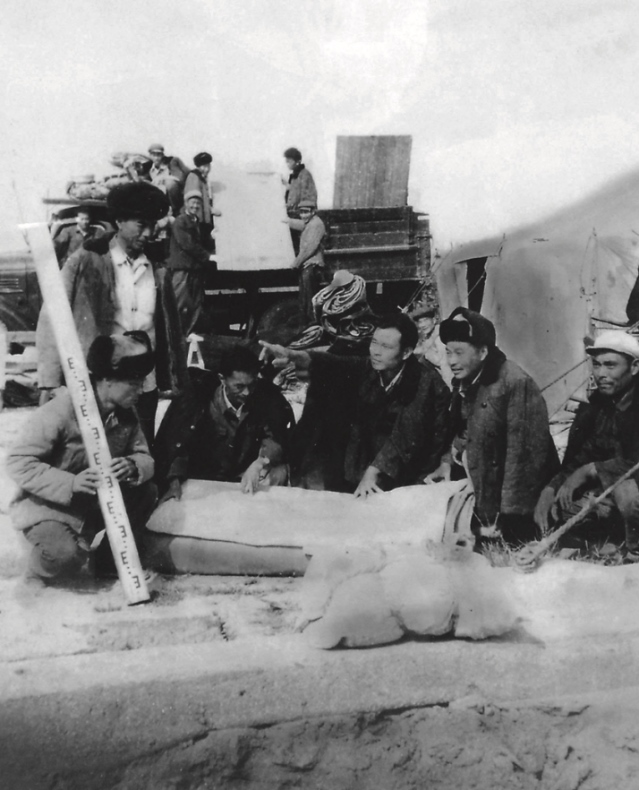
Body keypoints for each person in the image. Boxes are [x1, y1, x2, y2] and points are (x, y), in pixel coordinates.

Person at [36, 181, 187, 446]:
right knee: (93, 454)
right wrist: (50, 378)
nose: (149, 233)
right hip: (99, 384)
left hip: (143, 385)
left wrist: (178, 378)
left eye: (153, 225)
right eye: (141, 224)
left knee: (139, 453)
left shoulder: (158, 268)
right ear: (119, 221)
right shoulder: (87, 260)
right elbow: (53, 315)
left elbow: (172, 329)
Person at [7, 332, 157, 587]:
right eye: (133, 383)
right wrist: (71, 483)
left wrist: (133, 466)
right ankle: (37, 570)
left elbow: (145, 456)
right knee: (63, 557)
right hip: (49, 509)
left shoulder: (126, 413)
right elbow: (18, 462)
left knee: (147, 491)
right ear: (107, 379)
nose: (141, 390)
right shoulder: (61, 410)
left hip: (92, 507)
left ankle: (108, 562)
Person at [260, 313, 450, 495]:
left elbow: (406, 433)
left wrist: (374, 471)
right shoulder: (373, 368)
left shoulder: (426, 382)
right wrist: (293, 355)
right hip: (373, 465)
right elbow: (335, 363)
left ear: (406, 352)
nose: (376, 352)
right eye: (374, 342)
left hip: (412, 469)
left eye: (386, 346)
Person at [427, 307, 558, 545]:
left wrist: (509, 518)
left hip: (516, 504)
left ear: (483, 352)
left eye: (459, 352)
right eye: (448, 352)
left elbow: (524, 457)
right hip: (483, 485)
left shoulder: (515, 383)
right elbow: (467, 428)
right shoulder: (466, 381)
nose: (452, 361)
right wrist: (448, 461)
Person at [534, 331, 639, 558]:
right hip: (611, 489)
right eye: (596, 365)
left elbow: (634, 462)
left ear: (634, 367)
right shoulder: (602, 405)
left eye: (610, 365)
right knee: (560, 505)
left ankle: (634, 555)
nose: (601, 374)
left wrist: (591, 470)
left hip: (629, 490)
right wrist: (552, 487)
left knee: (626, 493)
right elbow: (587, 452)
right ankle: (609, 542)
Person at [154, 346, 294, 500]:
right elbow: (180, 447)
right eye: (239, 386)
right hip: (207, 477)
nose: (247, 392)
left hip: (247, 475)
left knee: (279, 472)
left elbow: (274, 437)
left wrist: (260, 462)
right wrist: (174, 480)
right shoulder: (201, 403)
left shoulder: (265, 399)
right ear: (222, 379)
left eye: (252, 384)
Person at [167, 190, 216, 334]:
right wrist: (208, 257)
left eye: (198, 203)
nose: (195, 206)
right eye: (192, 203)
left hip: (194, 269)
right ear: (186, 204)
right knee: (180, 303)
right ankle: (175, 336)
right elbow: (188, 244)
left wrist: (211, 238)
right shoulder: (180, 221)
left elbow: (200, 242)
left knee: (195, 304)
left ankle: (187, 334)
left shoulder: (195, 222)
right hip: (183, 269)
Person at [289, 200, 326, 324]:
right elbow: (301, 224)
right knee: (304, 297)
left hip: (313, 265)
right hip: (307, 264)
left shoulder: (316, 224)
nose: (303, 215)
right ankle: (307, 322)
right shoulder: (310, 222)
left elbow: (310, 248)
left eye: (306, 212)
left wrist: (296, 263)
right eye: (301, 212)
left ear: (313, 212)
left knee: (309, 297)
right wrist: (286, 221)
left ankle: (313, 323)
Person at [410, 304, 451, 385]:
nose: (422, 325)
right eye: (420, 322)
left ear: (434, 320)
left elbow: (445, 366)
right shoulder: (428, 338)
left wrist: (450, 387)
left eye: (425, 320)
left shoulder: (440, 338)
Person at [184, 152, 221, 235]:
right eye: (204, 166)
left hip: (202, 220)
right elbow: (193, 201)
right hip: (197, 221)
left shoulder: (202, 178)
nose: (207, 169)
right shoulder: (194, 177)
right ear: (198, 166)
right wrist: (211, 210)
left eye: (208, 166)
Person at [147, 143, 190, 216]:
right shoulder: (149, 169)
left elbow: (179, 178)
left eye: (158, 155)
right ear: (150, 156)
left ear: (162, 155)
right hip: (158, 198)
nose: (156, 158)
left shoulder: (170, 164)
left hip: (174, 198)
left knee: (170, 184)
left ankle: (176, 212)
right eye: (154, 155)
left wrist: (163, 177)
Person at [284, 147, 317, 217]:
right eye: (286, 161)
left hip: (303, 215)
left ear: (297, 161)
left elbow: (304, 197)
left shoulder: (304, 175)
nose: (287, 164)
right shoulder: (295, 176)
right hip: (294, 213)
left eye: (289, 161)